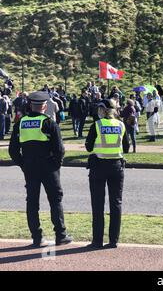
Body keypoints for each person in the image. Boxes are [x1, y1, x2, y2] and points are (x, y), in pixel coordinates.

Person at [8, 91, 72, 247]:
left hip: (30, 167)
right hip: (48, 167)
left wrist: (23, 164)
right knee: (55, 200)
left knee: (32, 202)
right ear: (44, 106)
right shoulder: (49, 123)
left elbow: (13, 150)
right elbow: (59, 149)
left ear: (30, 105)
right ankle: (60, 235)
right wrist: (56, 165)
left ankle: (37, 237)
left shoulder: (20, 123)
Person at [85, 99, 130, 249]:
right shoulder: (121, 125)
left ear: (104, 110)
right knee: (116, 204)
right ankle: (113, 241)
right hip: (117, 167)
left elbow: (88, 147)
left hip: (99, 166)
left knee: (98, 204)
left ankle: (97, 241)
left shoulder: (97, 125)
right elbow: (126, 147)